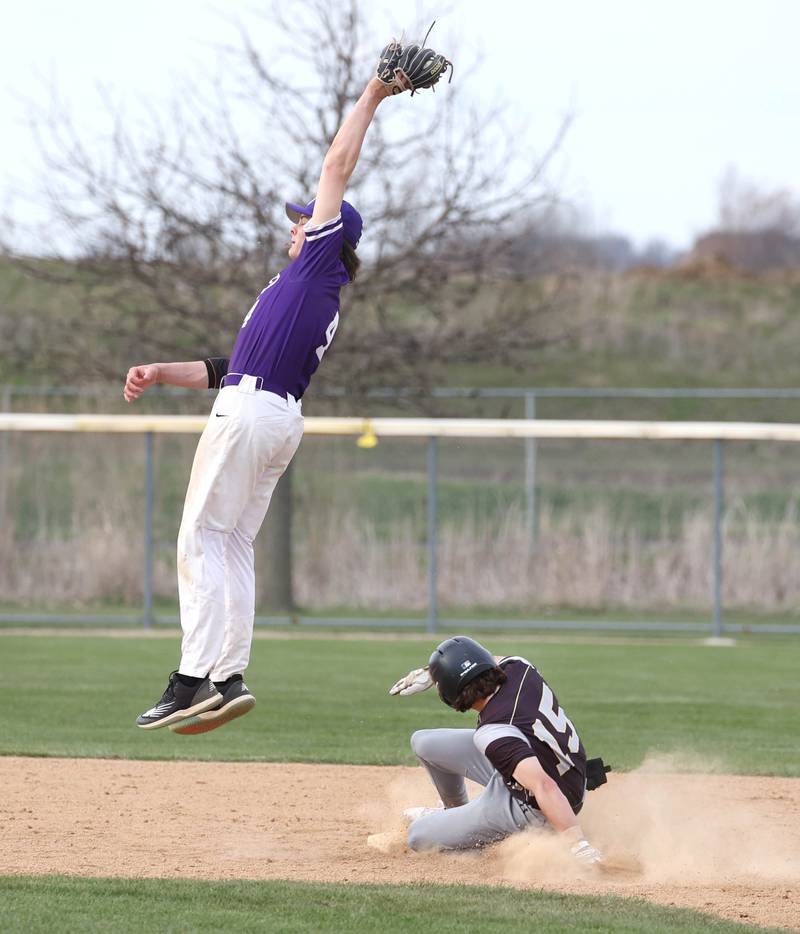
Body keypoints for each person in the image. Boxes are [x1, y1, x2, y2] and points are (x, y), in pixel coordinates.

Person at [123, 44, 434, 734]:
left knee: (199, 537)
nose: (297, 224)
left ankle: (190, 680)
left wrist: (373, 95)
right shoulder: (298, 291)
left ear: (325, 234)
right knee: (230, 544)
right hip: (269, 411)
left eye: (306, 218)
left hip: (253, 411)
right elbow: (222, 367)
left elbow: (336, 166)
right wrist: (157, 370)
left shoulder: (319, 263)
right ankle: (228, 675)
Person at [389, 636, 608, 864]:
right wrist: (435, 673)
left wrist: (578, 844)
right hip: (545, 763)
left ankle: (468, 841)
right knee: (424, 742)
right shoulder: (520, 667)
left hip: (538, 804)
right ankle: (454, 812)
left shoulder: (493, 733)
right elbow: (484, 661)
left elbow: (544, 785)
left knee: (417, 835)